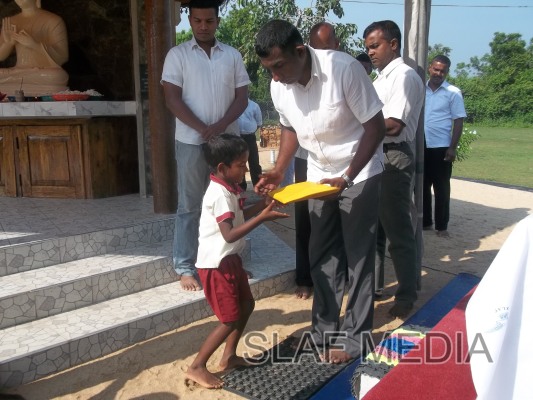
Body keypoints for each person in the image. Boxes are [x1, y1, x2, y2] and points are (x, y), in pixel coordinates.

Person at [254, 20, 386, 363]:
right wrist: (279, 170)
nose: (275, 76)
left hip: (359, 172)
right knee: (322, 254)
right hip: (317, 175)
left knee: (358, 257)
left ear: (300, 51)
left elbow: (375, 127)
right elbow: (288, 128)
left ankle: (356, 339)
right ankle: (323, 330)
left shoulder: (343, 70)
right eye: (269, 69)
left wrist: (348, 177)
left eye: (279, 66)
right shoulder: (279, 86)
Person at [187, 134, 288, 389]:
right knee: (229, 318)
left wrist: (263, 205)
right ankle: (197, 366)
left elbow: (239, 215)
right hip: (216, 265)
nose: (245, 169)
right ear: (222, 167)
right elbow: (229, 234)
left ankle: (229, 356)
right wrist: (263, 217)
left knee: (246, 304)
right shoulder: (219, 194)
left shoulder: (229, 187)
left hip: (229, 259)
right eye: (241, 165)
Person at [161, 0, 250, 291]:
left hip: (227, 145)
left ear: (217, 22)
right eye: (197, 21)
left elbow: (242, 98)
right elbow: (172, 99)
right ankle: (185, 266)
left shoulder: (232, 55)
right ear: (190, 21)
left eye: (209, 21)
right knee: (190, 205)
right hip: (191, 141)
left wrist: (220, 127)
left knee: (231, 202)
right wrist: (204, 130)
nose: (203, 26)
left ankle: (230, 262)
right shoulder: (177, 56)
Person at [363, 20, 424, 318]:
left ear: (394, 44)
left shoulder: (403, 76)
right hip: (377, 156)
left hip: (393, 157)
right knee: (375, 230)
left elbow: (394, 124)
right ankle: (375, 287)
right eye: (368, 48)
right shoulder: (380, 79)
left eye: (375, 46)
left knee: (398, 232)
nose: (370, 52)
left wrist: (357, 128)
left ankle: (406, 295)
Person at [290, 21, 342, 301]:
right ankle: (304, 278)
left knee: (336, 222)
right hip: (305, 160)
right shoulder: (295, 79)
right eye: (315, 48)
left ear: (337, 46)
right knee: (306, 219)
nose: (320, 54)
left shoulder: (344, 76)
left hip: (339, 163)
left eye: (326, 47)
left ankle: (336, 277)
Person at [423, 55, 467, 237]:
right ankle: (425, 222)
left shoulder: (453, 92)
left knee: (441, 187)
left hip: (441, 146)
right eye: (436, 69)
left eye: (442, 71)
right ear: (429, 68)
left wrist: (452, 147)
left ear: (447, 72)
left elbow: (458, 121)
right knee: (422, 185)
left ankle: (442, 226)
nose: (438, 73)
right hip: (421, 144)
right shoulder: (420, 89)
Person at [0, 0, 69, 96]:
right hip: (18, 70)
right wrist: (8, 44)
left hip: (42, 72)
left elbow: (63, 56)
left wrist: (34, 44)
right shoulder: (11, 22)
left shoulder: (54, 20)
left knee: (57, 76)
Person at [238, 98, 263, 191]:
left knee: (254, 162)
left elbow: (259, 123)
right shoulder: (233, 106)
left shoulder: (254, 106)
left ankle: (258, 185)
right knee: (239, 162)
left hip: (250, 138)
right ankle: (241, 187)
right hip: (237, 138)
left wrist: (250, 131)